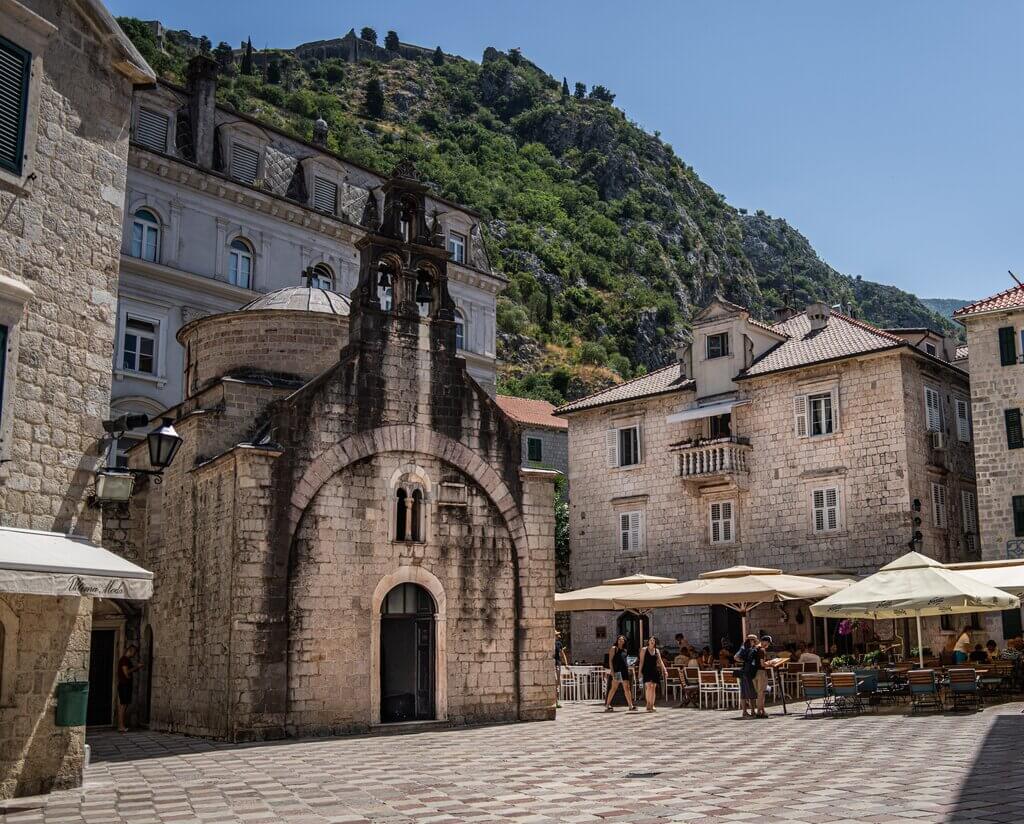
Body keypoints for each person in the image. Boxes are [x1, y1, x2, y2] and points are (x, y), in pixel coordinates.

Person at [604, 635, 636, 712]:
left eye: (622, 639)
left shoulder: (625, 650)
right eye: (619, 639)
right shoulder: (614, 648)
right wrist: (612, 671)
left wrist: (630, 665)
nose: (620, 640)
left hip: (624, 671)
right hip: (617, 671)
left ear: (624, 641)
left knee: (627, 688)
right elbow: (610, 661)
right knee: (614, 688)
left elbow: (625, 661)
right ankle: (607, 705)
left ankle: (630, 706)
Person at [116, 644, 143, 733]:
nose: (134, 655)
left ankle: (121, 725)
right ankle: (121, 726)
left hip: (125, 685)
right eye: (134, 652)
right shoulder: (124, 660)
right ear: (130, 651)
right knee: (123, 705)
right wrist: (137, 667)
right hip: (124, 685)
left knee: (124, 705)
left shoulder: (126, 660)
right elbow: (126, 673)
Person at [638, 636, 669, 712]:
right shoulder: (644, 649)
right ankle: (648, 703)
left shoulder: (657, 650)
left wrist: (665, 670)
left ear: (655, 642)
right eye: (651, 640)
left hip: (654, 670)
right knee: (648, 686)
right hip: (646, 670)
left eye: (653, 640)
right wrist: (639, 672)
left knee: (653, 688)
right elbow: (641, 662)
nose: (652, 641)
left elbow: (660, 661)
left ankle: (652, 704)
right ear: (648, 641)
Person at [554, 630, 569, 708]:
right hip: (551, 665)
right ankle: (554, 701)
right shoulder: (549, 643)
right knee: (555, 681)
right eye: (556, 635)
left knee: (557, 682)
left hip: (557, 664)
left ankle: (556, 701)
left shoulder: (559, 643)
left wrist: (566, 663)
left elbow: (563, 654)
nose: (557, 636)